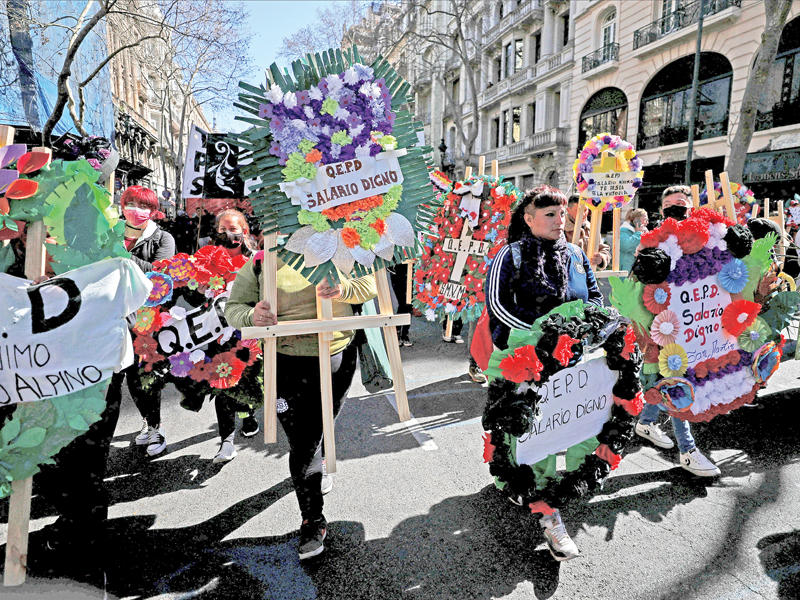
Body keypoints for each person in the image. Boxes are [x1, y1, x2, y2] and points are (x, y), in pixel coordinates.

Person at [225, 251, 377, 560]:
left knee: (318, 431)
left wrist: (342, 289)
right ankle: (312, 520)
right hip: (285, 361)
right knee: (303, 443)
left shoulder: (340, 248)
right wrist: (253, 315)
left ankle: (315, 465)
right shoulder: (261, 261)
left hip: (336, 356)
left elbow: (372, 284)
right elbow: (233, 309)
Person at [485, 185, 602, 561]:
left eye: (562, 214)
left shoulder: (577, 254)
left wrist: (589, 330)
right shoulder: (510, 255)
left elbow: (595, 299)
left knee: (566, 428)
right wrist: (542, 339)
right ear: (528, 218)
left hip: (572, 361)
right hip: (524, 362)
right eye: (549, 215)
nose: (560, 221)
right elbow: (497, 307)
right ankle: (548, 514)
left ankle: (539, 487)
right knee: (533, 433)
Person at [633, 185, 721, 476]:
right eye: (669, 205)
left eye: (681, 204)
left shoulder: (708, 239)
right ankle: (688, 451)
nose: (675, 209)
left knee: (674, 380)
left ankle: (646, 422)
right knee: (675, 382)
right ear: (661, 211)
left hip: (697, 324)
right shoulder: (652, 242)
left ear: (691, 207)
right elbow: (639, 281)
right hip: (665, 325)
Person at [114, 185, 176, 458]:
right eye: (132, 203)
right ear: (122, 204)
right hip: (110, 315)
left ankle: (155, 427)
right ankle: (144, 422)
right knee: (115, 377)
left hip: (144, 319)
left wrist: (122, 256)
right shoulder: (110, 231)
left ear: (153, 211)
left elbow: (160, 275)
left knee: (143, 376)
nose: (137, 210)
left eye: (145, 206)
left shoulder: (162, 238)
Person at [208, 209, 261, 463]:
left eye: (235, 228)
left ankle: (248, 414)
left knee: (248, 383)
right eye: (223, 229)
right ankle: (226, 441)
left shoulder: (257, 260)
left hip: (248, 333)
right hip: (217, 335)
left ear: (245, 231)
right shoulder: (206, 258)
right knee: (222, 384)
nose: (229, 234)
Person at [565, 194, 611, 271]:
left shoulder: (591, 227)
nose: (583, 214)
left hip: (589, 277)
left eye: (585, 210)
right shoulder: (561, 228)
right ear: (568, 210)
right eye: (579, 210)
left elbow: (603, 248)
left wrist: (601, 258)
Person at [619, 207, 648, 272]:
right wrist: (639, 233)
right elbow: (627, 246)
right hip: (625, 271)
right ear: (636, 221)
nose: (647, 222)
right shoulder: (624, 230)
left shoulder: (644, 231)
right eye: (645, 220)